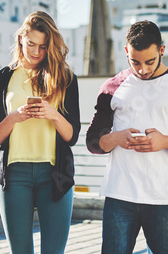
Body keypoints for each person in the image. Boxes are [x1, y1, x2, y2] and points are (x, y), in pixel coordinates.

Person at [0, 11, 80, 253]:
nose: (36, 52)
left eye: (43, 46)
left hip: (55, 173)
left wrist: (53, 114)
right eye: (31, 44)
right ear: (20, 39)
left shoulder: (66, 77)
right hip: (14, 173)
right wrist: (15, 117)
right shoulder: (2, 77)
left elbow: (72, 136)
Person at [86, 20, 168, 253]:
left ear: (162, 50)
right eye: (135, 62)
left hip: (163, 198)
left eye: (150, 61)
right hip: (120, 196)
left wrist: (164, 141)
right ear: (126, 52)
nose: (142, 69)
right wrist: (117, 138)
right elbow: (93, 142)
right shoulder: (112, 86)